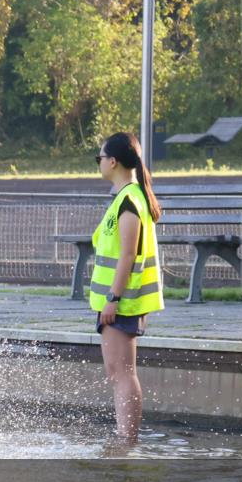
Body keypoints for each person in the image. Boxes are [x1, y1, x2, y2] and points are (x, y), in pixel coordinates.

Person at [89, 132, 164, 442]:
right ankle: (124, 438)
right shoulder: (125, 197)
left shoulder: (130, 201)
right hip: (117, 302)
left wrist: (113, 298)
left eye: (100, 158)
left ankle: (127, 441)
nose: (99, 163)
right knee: (117, 372)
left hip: (123, 301)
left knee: (123, 373)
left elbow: (128, 255)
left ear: (113, 162)